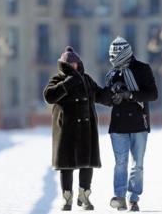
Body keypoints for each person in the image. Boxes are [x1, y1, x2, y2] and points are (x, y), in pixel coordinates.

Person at [43, 46, 111, 211]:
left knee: (86, 164)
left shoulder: (86, 79)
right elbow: (48, 96)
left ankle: (84, 195)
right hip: (66, 130)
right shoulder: (58, 79)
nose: (73, 66)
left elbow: (99, 95)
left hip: (86, 129)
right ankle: (67, 198)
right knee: (66, 166)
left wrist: (112, 96)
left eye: (75, 63)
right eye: (70, 63)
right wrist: (68, 83)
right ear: (64, 64)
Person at [106, 36, 158, 212]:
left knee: (137, 165)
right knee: (120, 162)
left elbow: (152, 94)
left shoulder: (143, 69)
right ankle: (119, 197)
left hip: (138, 123)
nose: (113, 59)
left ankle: (134, 198)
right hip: (118, 125)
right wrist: (113, 96)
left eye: (116, 55)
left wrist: (130, 95)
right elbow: (107, 98)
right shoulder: (112, 74)